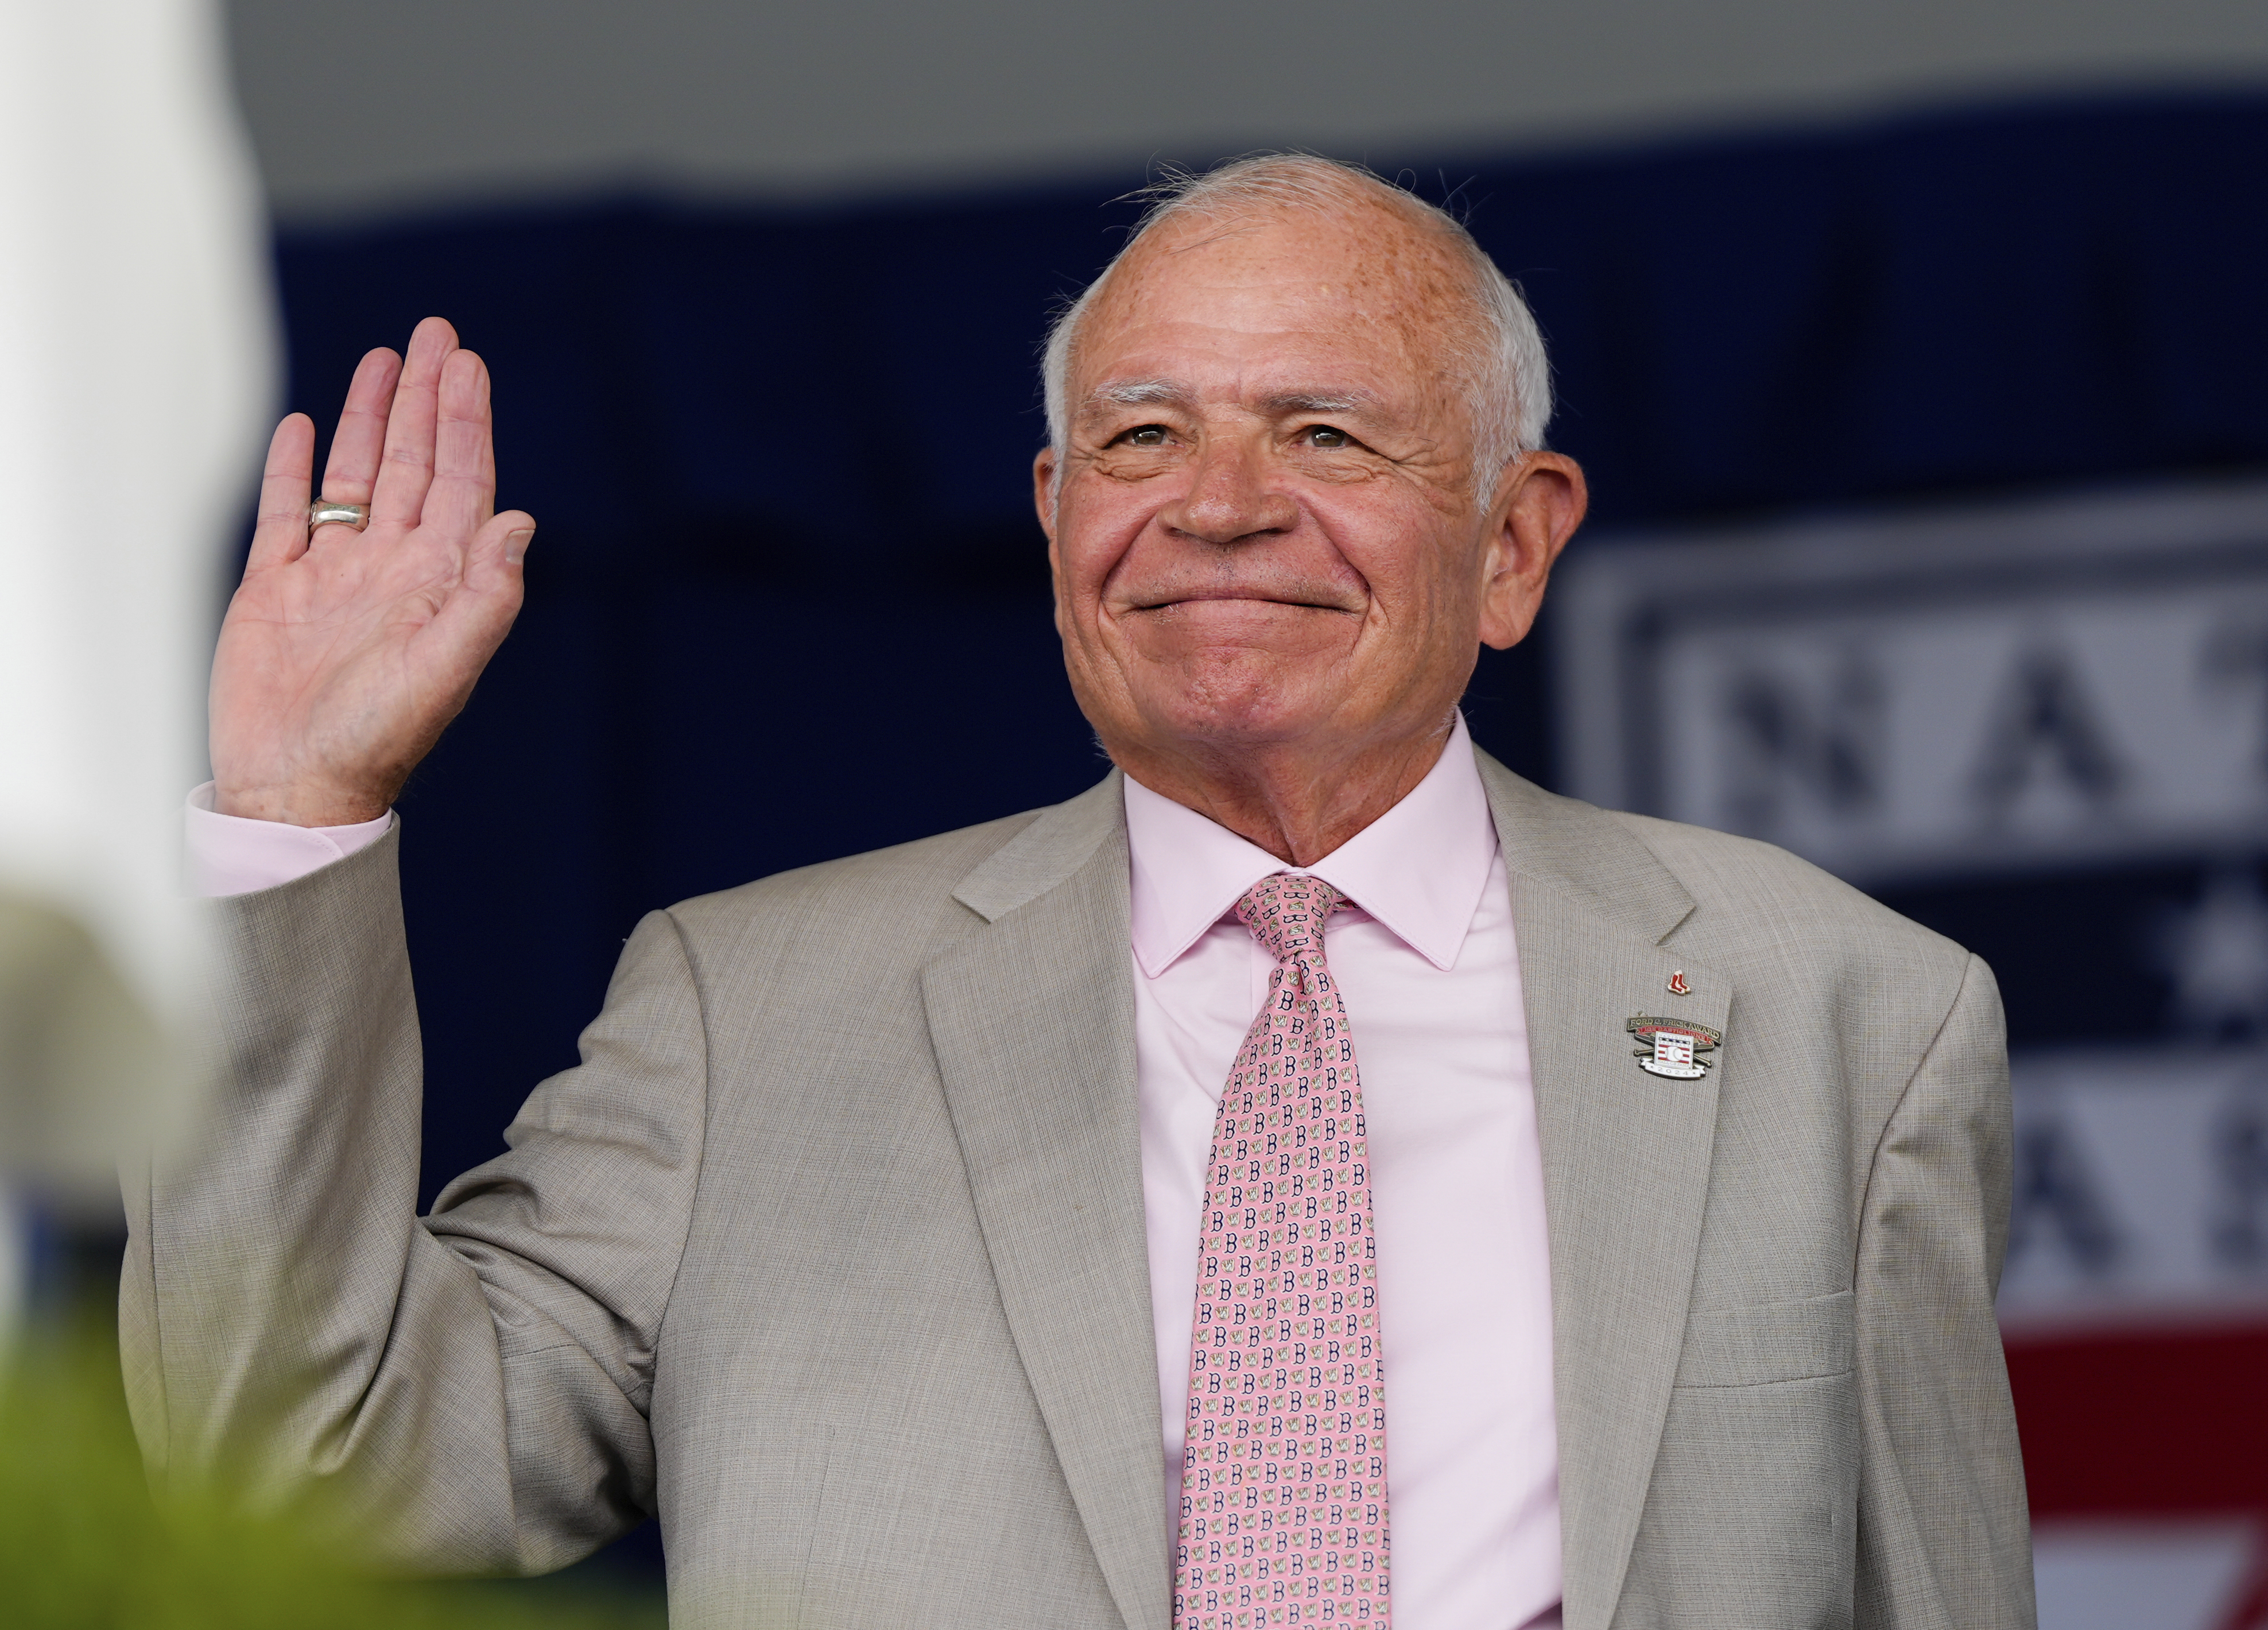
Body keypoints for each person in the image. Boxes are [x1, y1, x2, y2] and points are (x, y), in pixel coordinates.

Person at [127, 156, 2032, 1630]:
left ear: (1512, 542)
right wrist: (295, 806)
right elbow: (310, 1466)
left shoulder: (1843, 1012)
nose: (1213, 504)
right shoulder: (748, 1011)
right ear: (1053, 526)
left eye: (1323, 434)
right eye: (1139, 435)